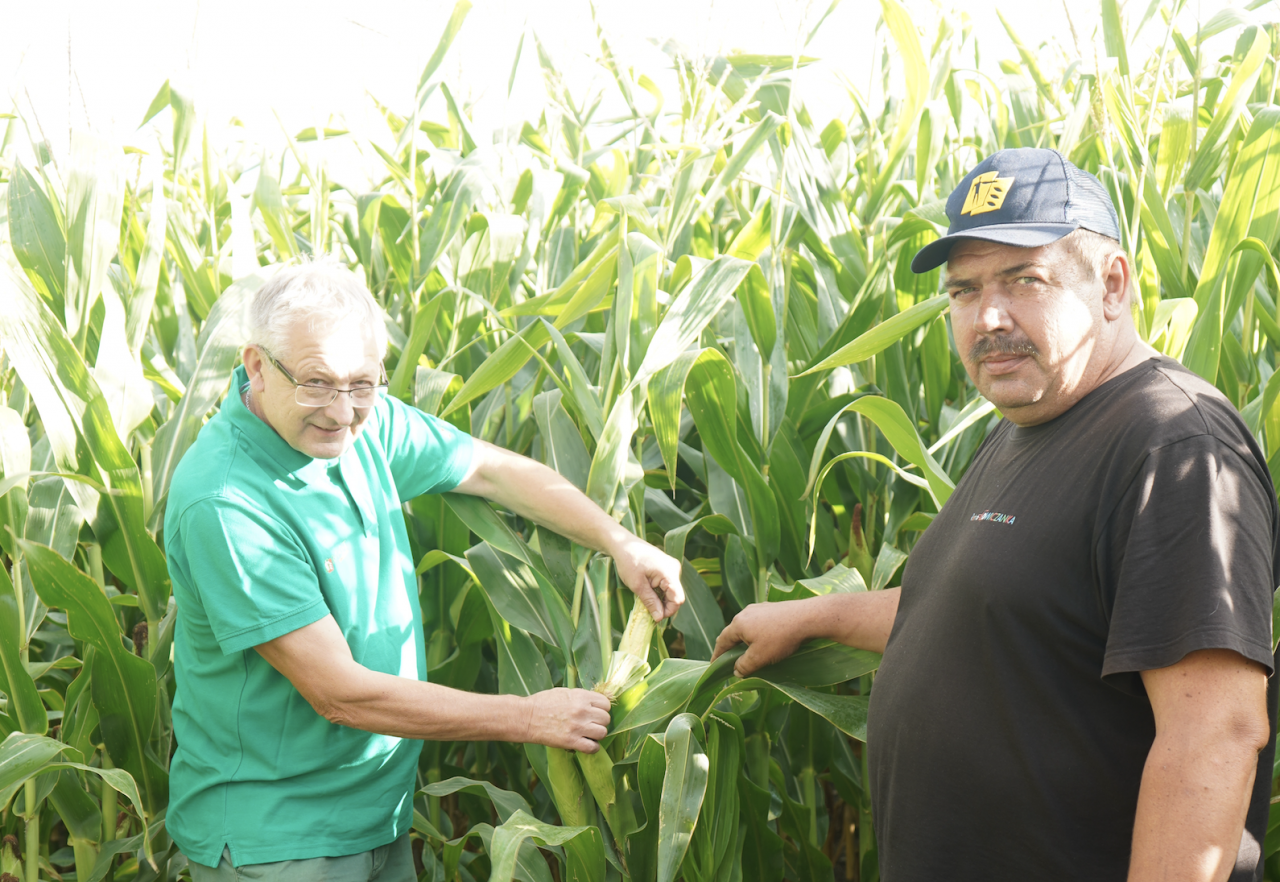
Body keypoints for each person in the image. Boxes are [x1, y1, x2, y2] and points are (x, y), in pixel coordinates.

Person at [713, 148, 1279, 881]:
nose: (989, 317)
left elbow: (1215, 732)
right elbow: (998, 614)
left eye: (1024, 280)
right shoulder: (1027, 424)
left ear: (1112, 285)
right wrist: (814, 616)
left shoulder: (1172, 444)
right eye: (964, 290)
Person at [163, 261, 685, 880]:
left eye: (364, 383)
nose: (343, 412)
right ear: (256, 366)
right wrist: (528, 716)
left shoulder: (365, 425)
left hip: (378, 813)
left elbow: (489, 470)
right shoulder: (227, 503)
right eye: (318, 384)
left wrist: (619, 541)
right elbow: (337, 692)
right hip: (277, 835)